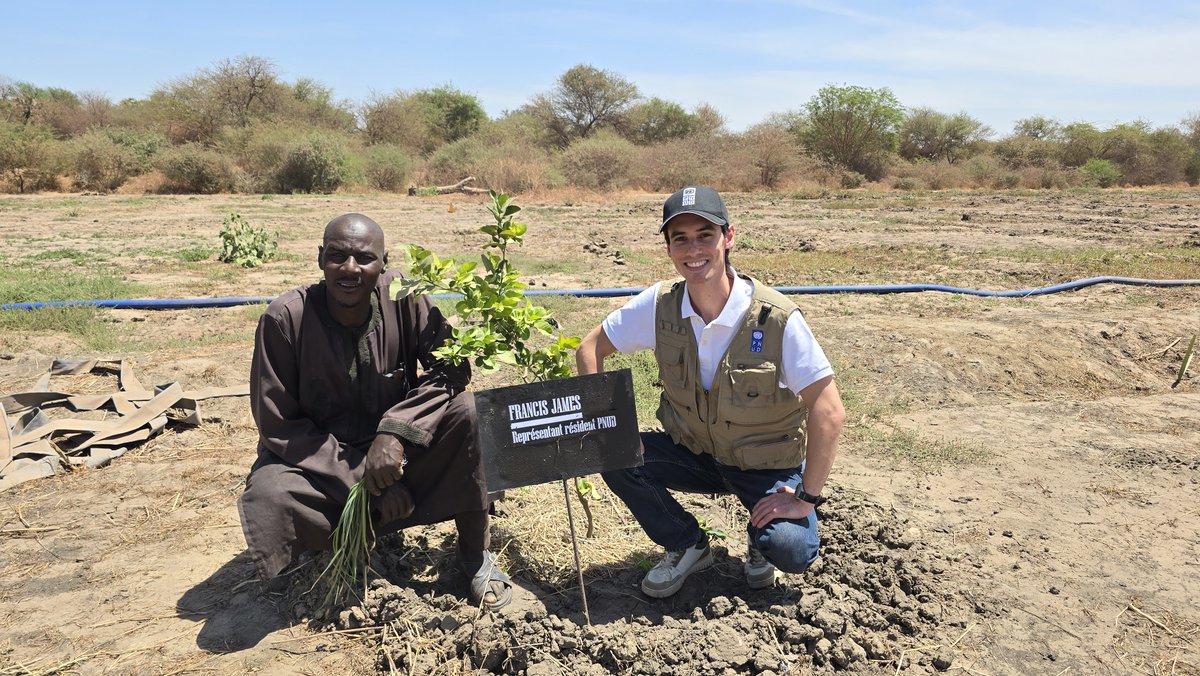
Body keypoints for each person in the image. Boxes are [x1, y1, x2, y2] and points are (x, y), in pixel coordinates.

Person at [576, 186, 845, 598]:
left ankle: (760, 540)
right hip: (695, 454)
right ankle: (687, 544)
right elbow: (590, 348)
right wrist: (602, 423)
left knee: (791, 551)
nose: (693, 249)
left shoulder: (775, 320)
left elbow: (828, 411)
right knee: (615, 455)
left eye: (705, 235)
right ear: (668, 248)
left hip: (764, 467)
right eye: (679, 238)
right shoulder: (659, 305)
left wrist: (805, 497)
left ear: (729, 237)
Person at [237, 213, 511, 610]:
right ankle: (333, 546)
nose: (350, 269)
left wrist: (397, 430)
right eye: (337, 256)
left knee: (468, 412)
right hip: (320, 465)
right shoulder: (284, 319)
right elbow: (278, 424)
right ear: (319, 259)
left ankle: (474, 554)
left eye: (364, 258)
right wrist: (364, 478)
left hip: (398, 454)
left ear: (384, 261)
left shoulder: (405, 297)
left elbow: (451, 367)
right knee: (271, 494)